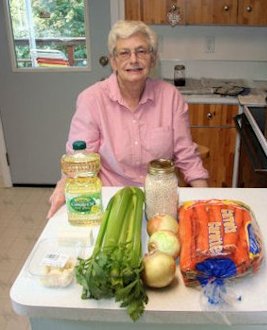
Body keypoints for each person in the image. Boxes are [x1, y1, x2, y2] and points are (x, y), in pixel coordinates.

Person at [47, 20, 208, 219]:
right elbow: (79, 158)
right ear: (113, 61)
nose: (134, 59)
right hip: (113, 199)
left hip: (161, 198)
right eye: (124, 53)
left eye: (142, 51)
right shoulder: (91, 100)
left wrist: (206, 201)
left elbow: (187, 156)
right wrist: (64, 184)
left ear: (153, 59)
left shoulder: (171, 96)